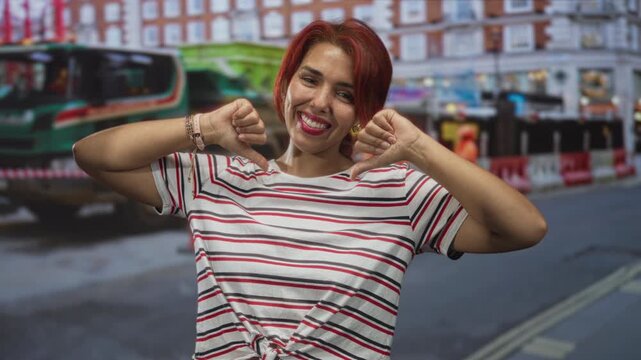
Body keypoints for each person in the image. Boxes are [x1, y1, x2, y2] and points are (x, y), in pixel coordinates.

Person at [73, 19, 547, 360]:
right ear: (287, 83)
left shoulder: (399, 192)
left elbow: (525, 228)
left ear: (364, 109)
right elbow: (93, 155)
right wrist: (204, 127)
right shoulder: (220, 178)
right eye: (310, 79)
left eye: (345, 94)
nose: (320, 103)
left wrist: (419, 148)